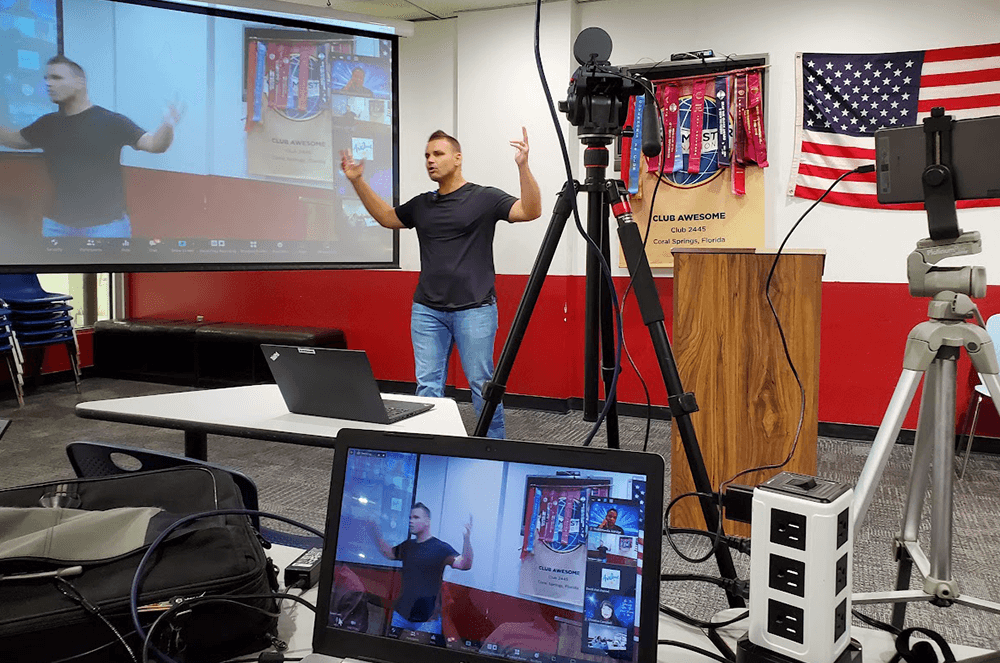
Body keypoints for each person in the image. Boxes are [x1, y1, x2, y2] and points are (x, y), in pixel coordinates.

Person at [340, 127, 542, 439]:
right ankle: (430, 446)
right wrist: (357, 182)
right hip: (427, 311)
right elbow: (387, 218)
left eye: (438, 154)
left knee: (482, 384)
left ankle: (496, 447)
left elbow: (530, 211)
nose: (430, 161)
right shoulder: (423, 204)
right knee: (428, 386)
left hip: (475, 309)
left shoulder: (483, 198)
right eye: (426, 156)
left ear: (458, 158)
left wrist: (522, 166)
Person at [0, 54, 181, 238]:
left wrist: (168, 125)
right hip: (58, 227)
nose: (48, 84)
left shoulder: (111, 122)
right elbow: (12, 139)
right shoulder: (47, 125)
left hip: (107, 228)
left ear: (80, 82)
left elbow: (154, 144)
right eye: (46, 78)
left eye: (56, 78)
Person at [369, 503, 473, 640]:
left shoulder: (440, 548)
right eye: (410, 517)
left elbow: (465, 564)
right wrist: (374, 529)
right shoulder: (408, 546)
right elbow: (388, 553)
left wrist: (466, 539)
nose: (411, 521)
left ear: (427, 522)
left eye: (416, 517)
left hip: (428, 621)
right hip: (401, 616)